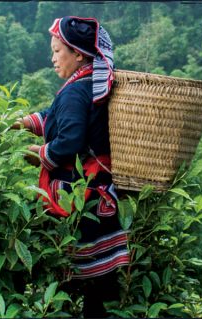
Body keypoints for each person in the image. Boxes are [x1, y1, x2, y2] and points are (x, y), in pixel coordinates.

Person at [12, 16, 127, 318]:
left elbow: (71, 140)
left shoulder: (77, 90)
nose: (52, 58)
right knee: (98, 287)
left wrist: (40, 153)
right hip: (101, 192)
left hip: (82, 195)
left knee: (84, 282)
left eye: (57, 51)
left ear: (78, 53)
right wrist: (22, 123)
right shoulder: (84, 84)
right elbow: (54, 115)